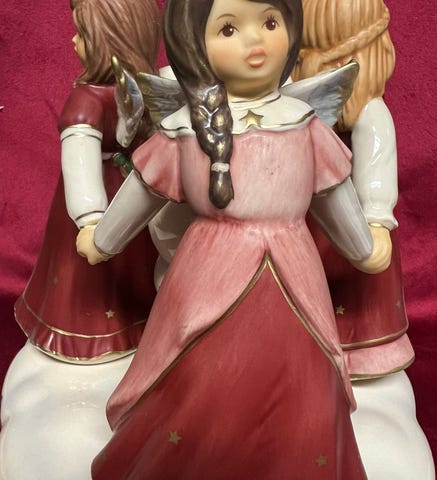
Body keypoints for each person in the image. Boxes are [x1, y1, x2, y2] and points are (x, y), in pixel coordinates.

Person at [78, 0, 390, 477]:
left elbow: (334, 196)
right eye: (228, 29)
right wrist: (103, 239)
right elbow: (142, 192)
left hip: (293, 274)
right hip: (206, 273)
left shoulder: (303, 123)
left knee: (302, 379)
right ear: (193, 45)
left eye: (270, 22)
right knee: (200, 373)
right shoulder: (184, 129)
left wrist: (363, 247)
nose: (255, 39)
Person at [14, 0, 161, 363]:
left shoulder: (97, 97)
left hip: (127, 196)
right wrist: (90, 219)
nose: (73, 41)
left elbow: (81, 154)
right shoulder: (103, 97)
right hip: (118, 196)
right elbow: (80, 163)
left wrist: (93, 222)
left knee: (127, 265)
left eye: (81, 33)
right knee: (93, 273)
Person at [292, 0, 415, 379]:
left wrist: (376, 221)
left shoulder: (369, 114)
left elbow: (377, 168)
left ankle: (362, 352)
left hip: (354, 229)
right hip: (304, 223)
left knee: (356, 291)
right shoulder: (298, 114)